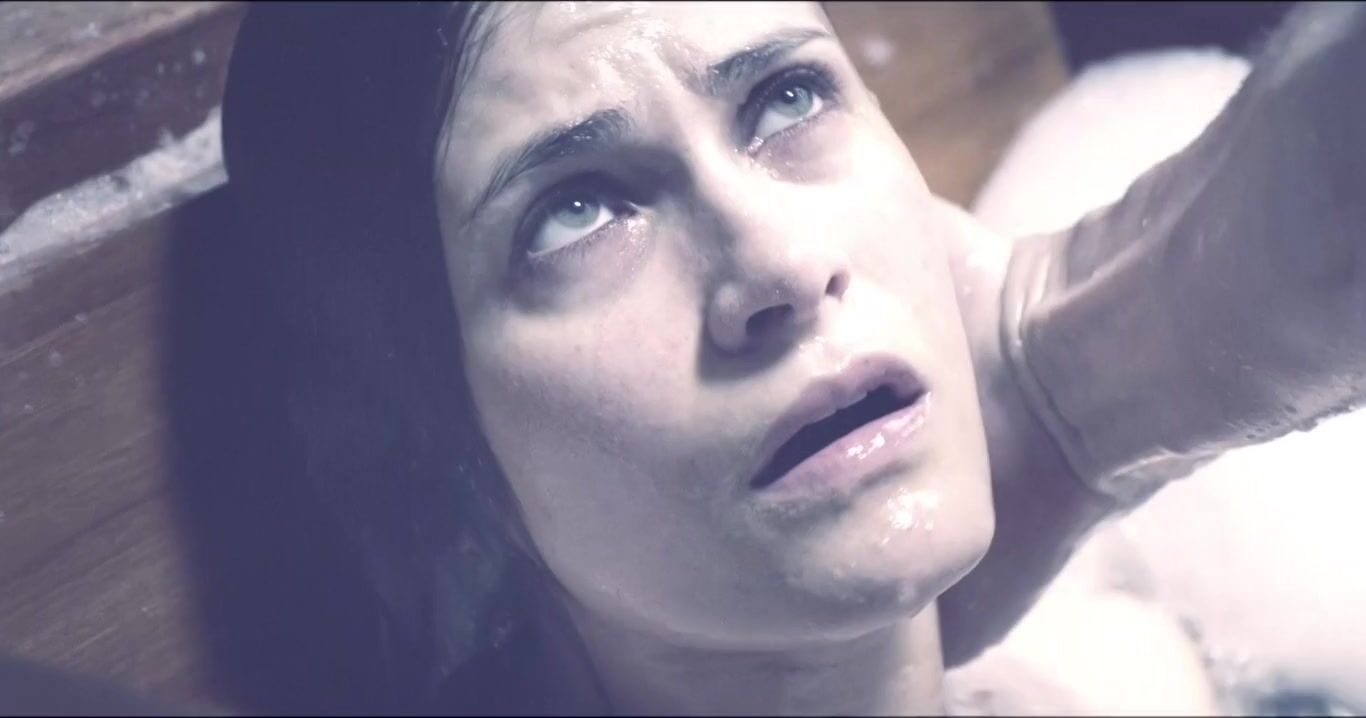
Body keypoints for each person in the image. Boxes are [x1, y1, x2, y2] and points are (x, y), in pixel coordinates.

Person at [221, 1, 1366, 714]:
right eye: (574, 213)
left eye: (786, 96)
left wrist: (1089, 367)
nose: (780, 262)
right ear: (426, 449)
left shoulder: (1122, 657)